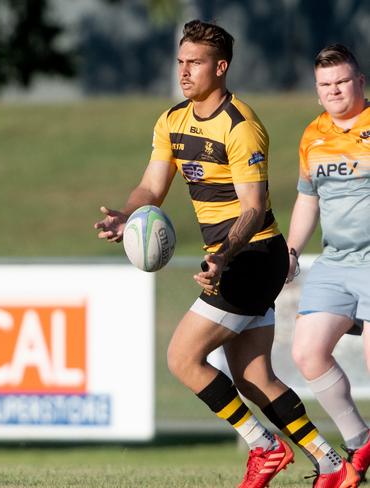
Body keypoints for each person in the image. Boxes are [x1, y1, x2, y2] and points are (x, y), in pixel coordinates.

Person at [94, 20, 358, 488]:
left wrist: (223, 256)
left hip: (253, 255)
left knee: (182, 357)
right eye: (180, 61)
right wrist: (127, 215)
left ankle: (264, 445)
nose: (184, 71)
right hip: (233, 259)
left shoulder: (241, 126)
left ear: (221, 67)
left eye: (195, 62)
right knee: (255, 379)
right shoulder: (172, 121)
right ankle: (332, 465)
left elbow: (254, 209)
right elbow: (152, 186)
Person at [287, 44, 370, 482]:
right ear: (317, 92)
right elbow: (307, 199)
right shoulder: (312, 134)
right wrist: (293, 251)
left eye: (342, 81)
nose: (334, 90)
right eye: (326, 85)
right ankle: (359, 441)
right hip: (336, 262)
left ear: (360, 82)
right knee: (306, 352)